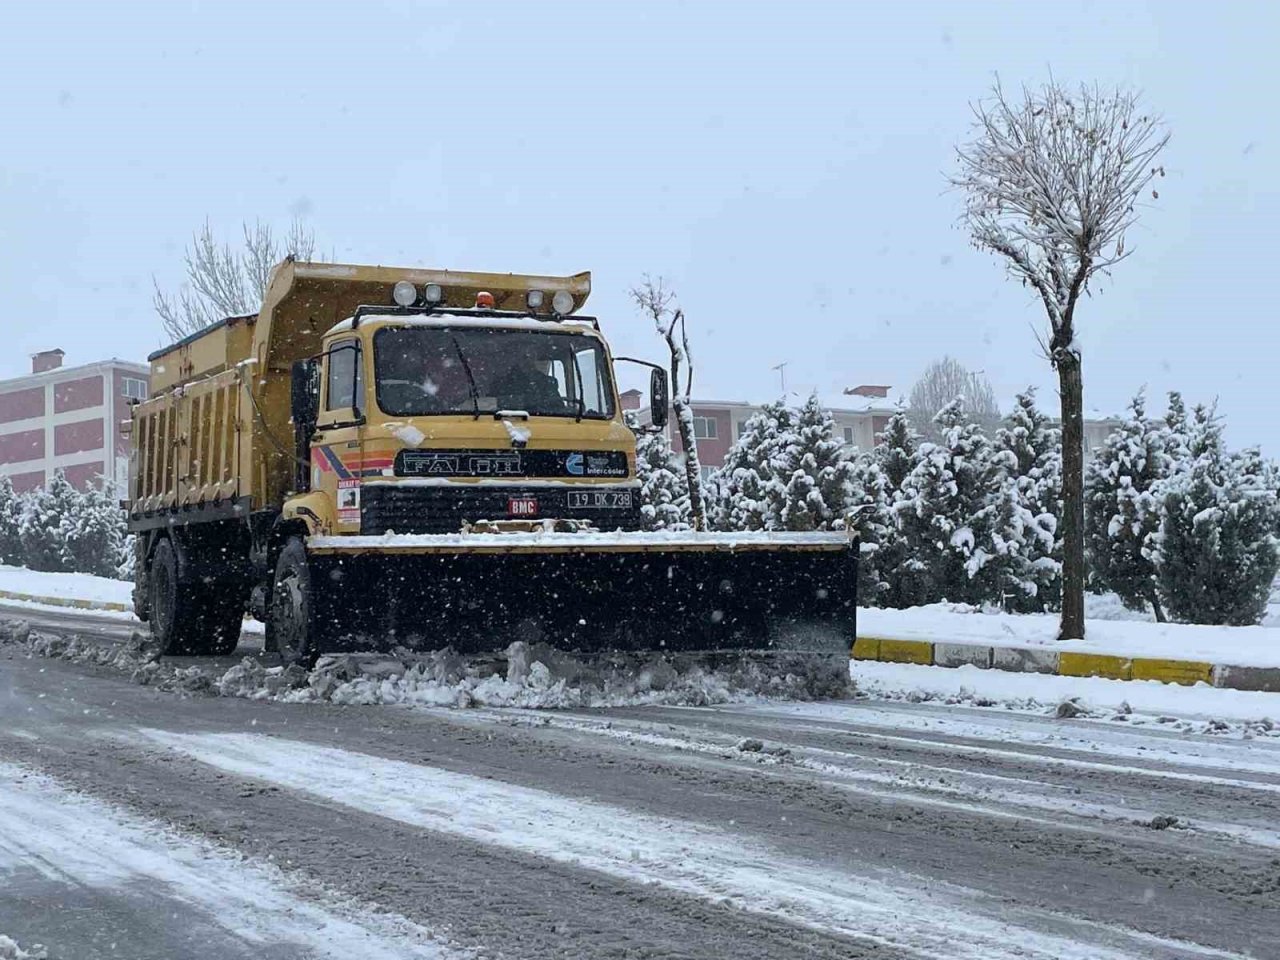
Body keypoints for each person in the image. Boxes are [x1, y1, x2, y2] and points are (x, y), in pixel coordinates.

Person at [493, 354, 567, 414]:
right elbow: (489, 405)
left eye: (531, 356)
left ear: (535, 358)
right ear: (516, 359)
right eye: (524, 357)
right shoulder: (503, 383)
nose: (527, 360)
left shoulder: (548, 382)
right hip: (507, 421)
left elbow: (558, 407)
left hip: (545, 422)